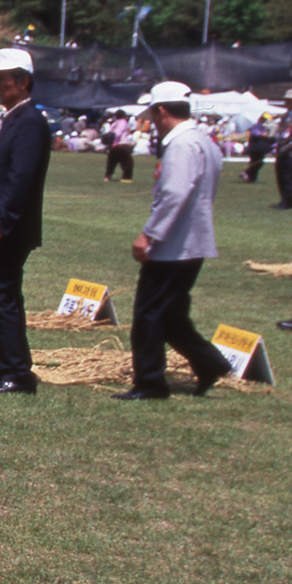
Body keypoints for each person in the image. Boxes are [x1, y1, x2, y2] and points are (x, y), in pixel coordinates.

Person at [116, 82, 229, 400]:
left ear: (161, 110)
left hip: (174, 245)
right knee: (171, 314)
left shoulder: (180, 145)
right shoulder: (204, 141)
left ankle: (150, 382)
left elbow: (174, 194)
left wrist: (148, 234)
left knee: (148, 313)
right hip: (194, 242)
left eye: (152, 113)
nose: (151, 119)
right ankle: (210, 362)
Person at [0, 48, 51, 395]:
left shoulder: (29, 123)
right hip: (1, 224)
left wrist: (0, 222)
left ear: (22, 82)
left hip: (10, 229)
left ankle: (17, 372)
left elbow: (21, 179)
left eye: (1, 79)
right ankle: (3, 364)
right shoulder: (14, 119)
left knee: (1, 294)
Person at [103, 111, 135, 182]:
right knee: (128, 162)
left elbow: (110, 133)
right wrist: (115, 141)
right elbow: (118, 133)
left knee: (111, 163)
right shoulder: (123, 122)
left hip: (113, 147)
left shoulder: (114, 123)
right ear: (124, 116)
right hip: (121, 144)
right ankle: (126, 178)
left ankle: (107, 177)